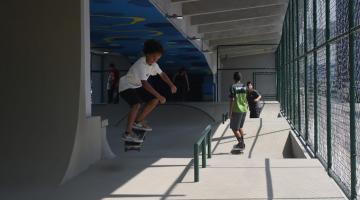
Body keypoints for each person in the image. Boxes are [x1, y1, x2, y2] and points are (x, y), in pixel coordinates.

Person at [118, 39, 177, 142]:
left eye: (157, 58)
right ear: (147, 54)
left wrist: (171, 85)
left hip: (136, 86)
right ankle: (127, 133)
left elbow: (162, 74)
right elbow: (145, 84)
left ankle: (138, 121)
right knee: (136, 104)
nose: (154, 60)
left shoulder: (154, 64)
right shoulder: (141, 64)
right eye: (153, 57)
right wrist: (160, 96)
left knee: (154, 100)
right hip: (126, 86)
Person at [229, 72, 248, 150]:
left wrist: (230, 111)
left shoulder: (233, 87)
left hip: (237, 110)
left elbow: (232, 100)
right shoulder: (244, 87)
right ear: (240, 78)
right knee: (240, 127)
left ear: (234, 78)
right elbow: (246, 99)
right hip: (244, 109)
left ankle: (241, 144)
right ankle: (242, 143)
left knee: (234, 128)